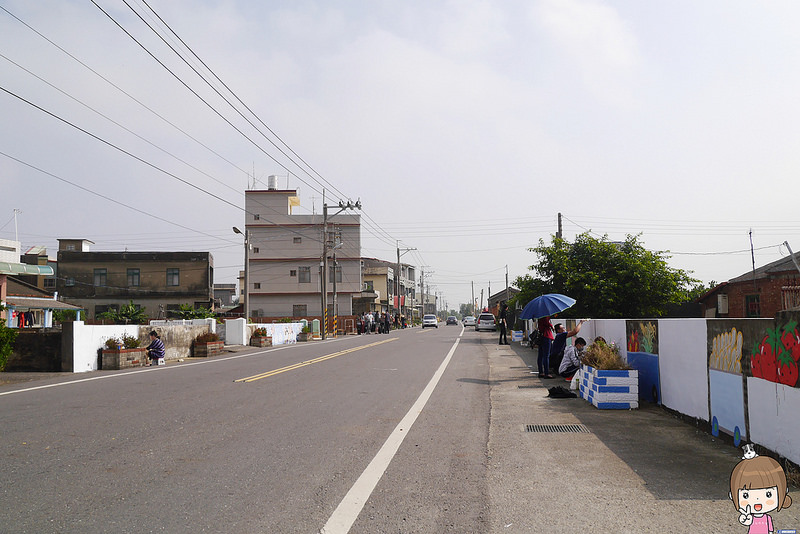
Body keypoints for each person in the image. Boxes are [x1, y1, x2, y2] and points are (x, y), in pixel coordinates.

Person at [729, 444, 792, 533]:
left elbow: (770, 530)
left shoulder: (768, 518)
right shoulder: (750, 517)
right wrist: (745, 517)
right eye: (746, 495)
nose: (758, 500)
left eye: (768, 494)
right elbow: (745, 521)